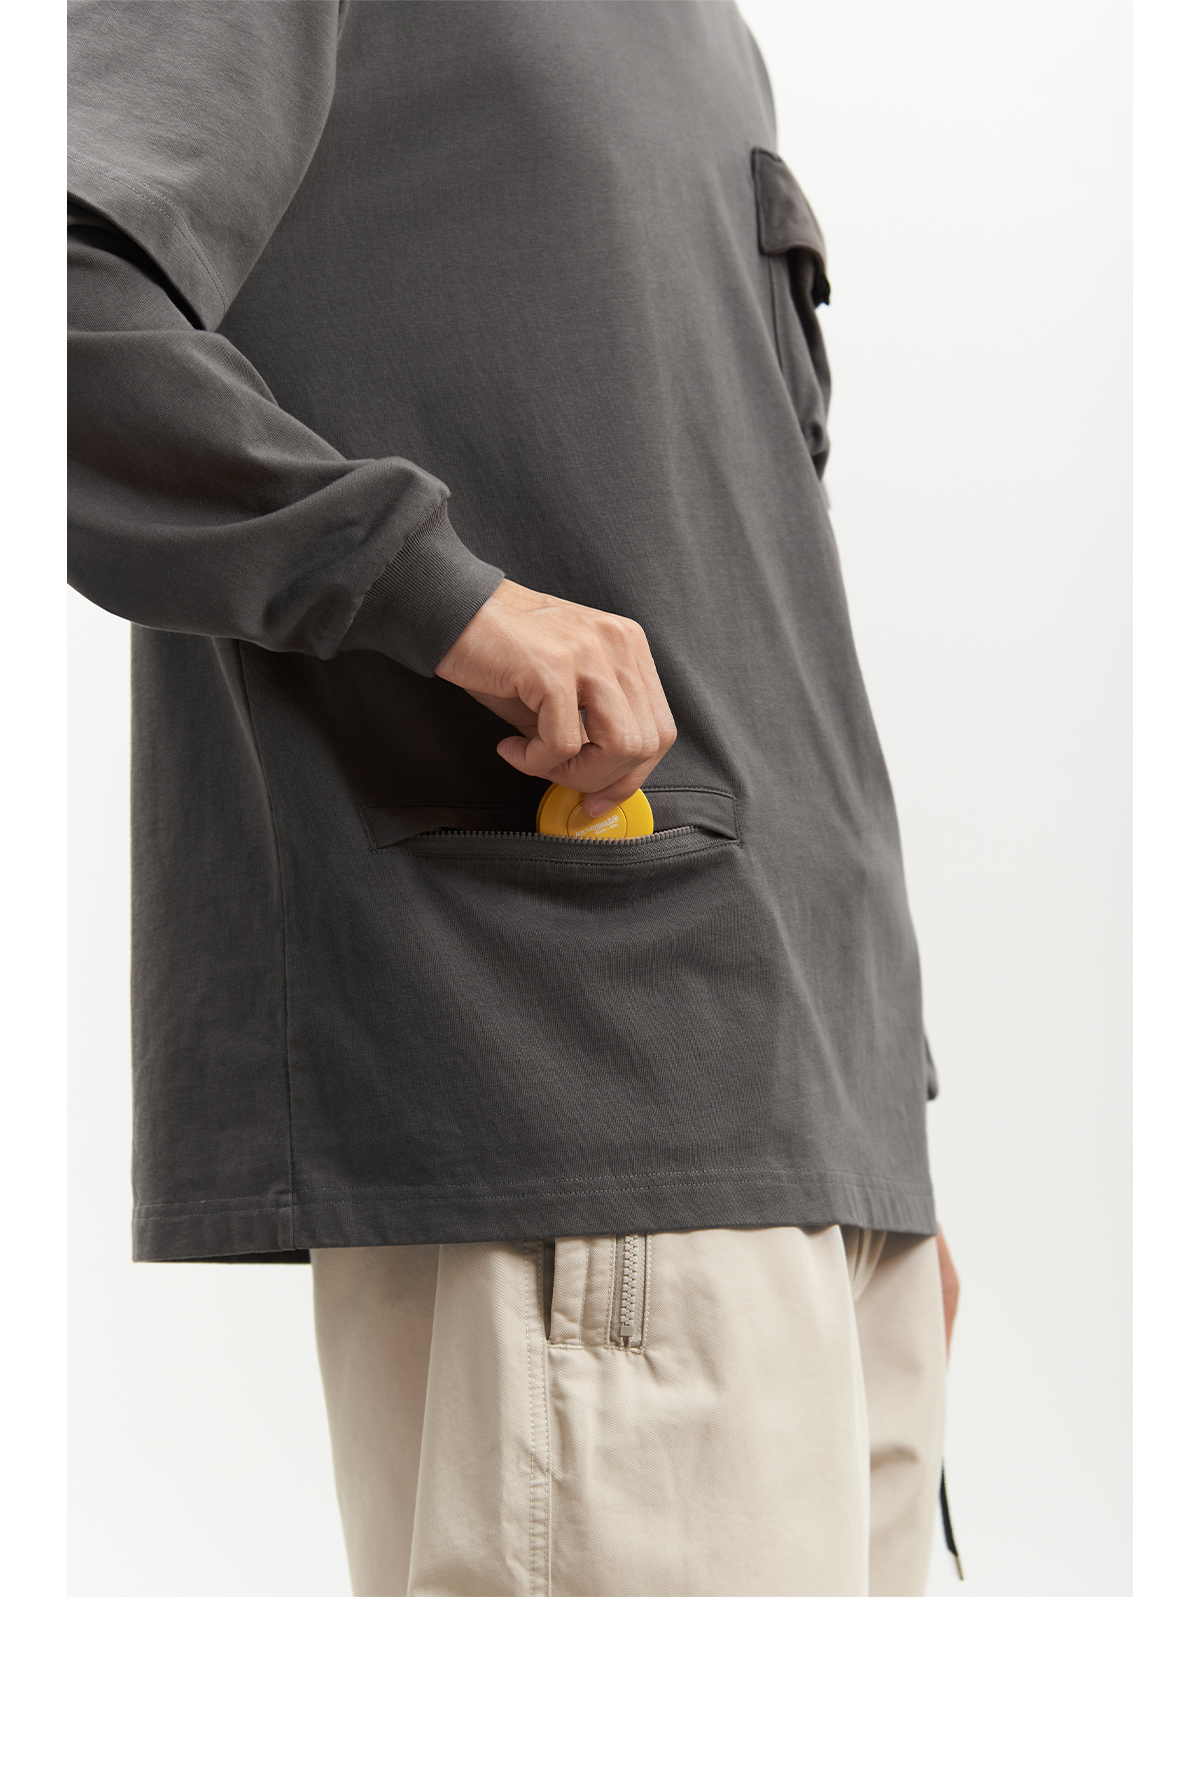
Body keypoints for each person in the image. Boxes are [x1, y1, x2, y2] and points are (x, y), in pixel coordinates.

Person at [68, 0, 960, 1595]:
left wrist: (885, 1145)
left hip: (827, 1152)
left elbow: (744, 593)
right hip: (577, 1089)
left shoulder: (709, 34)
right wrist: (441, 600)